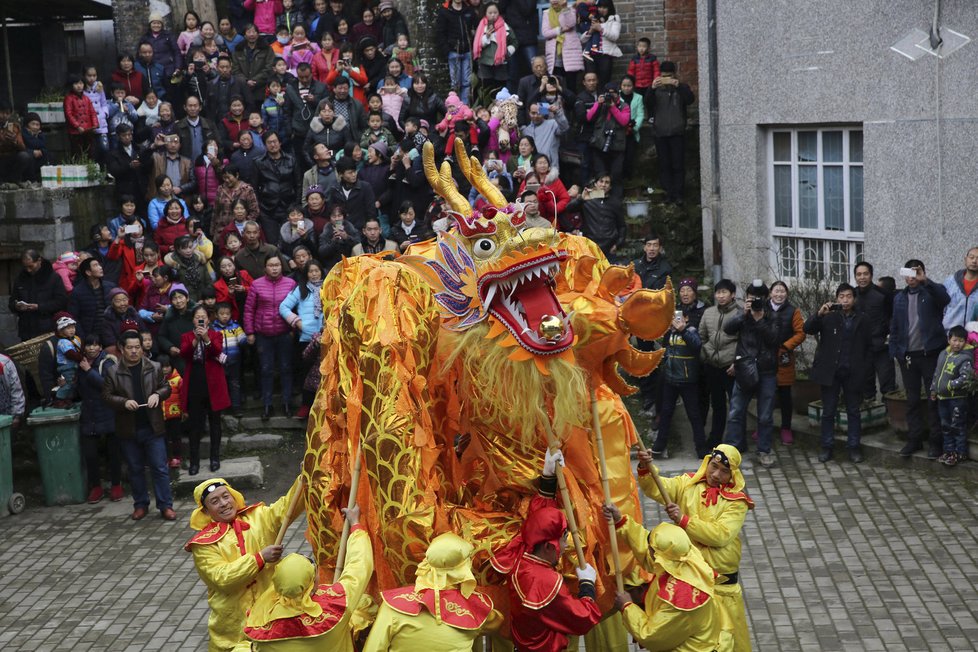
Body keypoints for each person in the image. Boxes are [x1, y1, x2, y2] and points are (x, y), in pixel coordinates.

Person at [633, 444, 753, 651]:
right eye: (713, 466)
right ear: (707, 462)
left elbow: (721, 535)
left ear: (732, 474)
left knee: (728, 642)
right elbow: (657, 488)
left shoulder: (737, 503)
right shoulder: (687, 484)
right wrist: (646, 466)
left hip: (722, 587)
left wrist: (684, 520)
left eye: (724, 471)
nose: (716, 474)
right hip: (690, 583)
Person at [489, 449, 602, 651]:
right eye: (563, 540)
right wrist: (587, 585)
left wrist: (548, 478)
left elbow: (539, 519)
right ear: (550, 546)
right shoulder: (546, 582)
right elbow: (584, 618)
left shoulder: (521, 554)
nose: (565, 546)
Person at [185, 475, 304, 652]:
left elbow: (287, 507)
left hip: (271, 616)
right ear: (206, 512)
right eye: (215, 501)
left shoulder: (258, 517)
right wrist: (260, 558)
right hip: (233, 631)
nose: (224, 503)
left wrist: (303, 479)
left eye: (226, 496)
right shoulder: (203, 545)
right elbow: (222, 579)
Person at [239, 506, 371, 651]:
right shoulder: (336, 605)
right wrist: (355, 525)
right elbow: (359, 565)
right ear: (312, 584)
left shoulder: (261, 618)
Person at [604, 510, 728, 651]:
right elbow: (649, 552)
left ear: (660, 556)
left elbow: (650, 635)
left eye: (651, 548)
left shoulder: (681, 600)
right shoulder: (685, 557)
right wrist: (622, 522)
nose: (648, 549)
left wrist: (627, 607)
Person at [364, 531, 500, 651]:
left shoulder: (392, 606)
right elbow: (497, 622)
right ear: (464, 568)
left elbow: (373, 648)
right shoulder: (477, 611)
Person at [102, 329, 174, 521]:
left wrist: (157, 395)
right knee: (135, 469)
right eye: (130, 348)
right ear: (122, 349)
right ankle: (140, 504)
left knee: (159, 468)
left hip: (153, 426)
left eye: (137, 347)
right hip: (128, 428)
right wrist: (123, 402)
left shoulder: (155, 366)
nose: (134, 351)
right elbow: (107, 396)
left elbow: (166, 387)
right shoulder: (113, 371)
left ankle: (165, 505)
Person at [804, 283, 873, 463]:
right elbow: (808, 329)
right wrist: (819, 314)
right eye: (841, 296)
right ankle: (827, 446)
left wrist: (864, 368)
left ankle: (854, 447)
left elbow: (869, 346)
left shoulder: (863, 319)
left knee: (853, 411)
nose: (845, 300)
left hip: (853, 370)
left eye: (848, 296)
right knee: (828, 411)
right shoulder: (829, 317)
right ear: (836, 298)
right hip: (830, 371)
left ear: (854, 298)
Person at [889, 260, 950, 458]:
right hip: (908, 357)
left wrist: (926, 281)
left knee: (933, 399)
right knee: (912, 400)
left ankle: (935, 441)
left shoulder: (931, 292)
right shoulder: (899, 297)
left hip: (930, 354)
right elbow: (895, 327)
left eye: (916, 273)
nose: (911, 277)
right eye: (908, 273)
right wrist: (896, 352)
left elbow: (945, 299)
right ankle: (914, 439)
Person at [723, 280, 781, 467]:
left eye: (758, 297)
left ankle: (763, 451)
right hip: (745, 370)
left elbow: (774, 340)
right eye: (751, 297)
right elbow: (728, 329)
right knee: (735, 412)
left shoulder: (772, 316)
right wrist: (745, 315)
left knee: (765, 415)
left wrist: (760, 320)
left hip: (767, 371)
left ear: (765, 298)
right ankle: (731, 451)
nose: (754, 301)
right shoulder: (743, 314)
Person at [651, 307, 708, 458]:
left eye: (679, 317)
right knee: (666, 412)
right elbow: (665, 350)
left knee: (694, 414)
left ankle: (701, 449)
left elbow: (696, 346)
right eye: (673, 317)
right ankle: (659, 446)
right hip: (670, 379)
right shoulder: (670, 332)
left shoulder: (691, 331)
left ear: (686, 318)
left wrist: (683, 330)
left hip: (688, 380)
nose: (675, 320)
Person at [245, 255, 297, 420]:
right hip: (263, 334)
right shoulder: (257, 284)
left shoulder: (290, 284)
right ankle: (267, 405)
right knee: (266, 370)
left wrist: (294, 329)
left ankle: (287, 402)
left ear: (282, 267)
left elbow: (297, 307)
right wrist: (250, 332)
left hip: (285, 333)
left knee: (286, 368)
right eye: (271, 265)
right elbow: (249, 310)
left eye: (277, 265)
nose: (274, 268)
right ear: (265, 267)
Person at [180, 305, 230, 475]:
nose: (200, 319)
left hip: (213, 384)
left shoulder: (216, 334)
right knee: (195, 425)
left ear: (208, 319)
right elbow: (184, 354)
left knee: (215, 423)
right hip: (195, 382)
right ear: (193, 320)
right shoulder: (186, 336)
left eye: (203, 317)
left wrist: (206, 338)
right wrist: (195, 339)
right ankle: (194, 462)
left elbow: (216, 350)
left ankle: (214, 458)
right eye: (197, 317)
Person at [78, 335, 122, 504]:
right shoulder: (79, 363)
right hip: (89, 414)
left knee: (114, 453)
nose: (92, 348)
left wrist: (89, 371)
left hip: (108, 412)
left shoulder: (108, 362)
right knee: (90, 454)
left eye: (96, 345)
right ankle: (95, 486)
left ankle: (116, 485)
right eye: (89, 345)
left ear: (101, 347)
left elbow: (107, 385)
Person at [649, 61, 695, 205]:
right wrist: (651, 88)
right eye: (664, 76)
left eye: (669, 76)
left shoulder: (681, 88)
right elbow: (647, 103)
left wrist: (678, 85)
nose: (666, 78)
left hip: (677, 132)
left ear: (674, 74)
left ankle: (679, 194)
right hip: (660, 132)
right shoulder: (656, 89)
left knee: (678, 165)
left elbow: (690, 99)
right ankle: (667, 194)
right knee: (664, 165)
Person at [931, 325, 974, 466]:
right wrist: (934, 389)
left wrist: (950, 385)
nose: (957, 344)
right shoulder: (943, 354)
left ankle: (960, 453)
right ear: (949, 340)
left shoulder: (965, 358)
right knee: (946, 425)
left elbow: (965, 378)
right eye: (955, 340)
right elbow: (937, 374)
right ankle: (949, 451)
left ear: (965, 342)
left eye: (961, 341)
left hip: (956, 399)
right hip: (942, 398)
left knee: (958, 426)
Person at [769, 281, 806, 446]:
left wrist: (786, 346)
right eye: (776, 291)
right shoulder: (762, 309)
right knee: (766, 394)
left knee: (785, 395)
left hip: (784, 357)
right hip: (765, 357)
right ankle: (764, 426)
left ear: (787, 294)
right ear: (770, 293)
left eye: (782, 291)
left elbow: (800, 333)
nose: (779, 294)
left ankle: (786, 428)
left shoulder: (793, 311)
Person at [853, 262, 896, 401]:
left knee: (887, 385)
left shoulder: (883, 294)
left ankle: (889, 417)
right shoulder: (852, 295)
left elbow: (892, 316)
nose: (862, 277)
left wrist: (888, 336)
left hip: (881, 347)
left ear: (871, 275)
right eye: (859, 274)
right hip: (861, 348)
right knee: (866, 385)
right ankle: (870, 415)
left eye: (865, 274)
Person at [9, 250, 68, 342]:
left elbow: (61, 302)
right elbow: (12, 302)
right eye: (25, 267)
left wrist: (39, 307)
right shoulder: (20, 279)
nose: (28, 270)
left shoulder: (53, 278)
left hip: (47, 328)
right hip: (26, 329)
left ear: (39, 261)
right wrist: (17, 306)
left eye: (31, 266)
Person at [254, 132, 301, 243]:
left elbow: (298, 184)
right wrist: (259, 207)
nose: (273, 145)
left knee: (292, 240)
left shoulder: (291, 159)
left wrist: (296, 205)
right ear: (265, 145)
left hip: (288, 206)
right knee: (273, 242)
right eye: (269, 142)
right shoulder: (258, 162)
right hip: (267, 209)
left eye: (275, 142)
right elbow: (254, 187)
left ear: (280, 143)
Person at [566, 173, 623, 257]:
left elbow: (622, 226)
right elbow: (568, 209)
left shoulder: (615, 202)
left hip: (609, 247)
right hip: (590, 246)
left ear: (610, 186)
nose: (603, 185)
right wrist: (581, 198)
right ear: (595, 184)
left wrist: (617, 244)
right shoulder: (587, 198)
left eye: (607, 182)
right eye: (601, 181)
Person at [472, 3, 518, 103]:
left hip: (500, 63)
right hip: (485, 62)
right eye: (490, 13)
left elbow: (514, 42)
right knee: (485, 88)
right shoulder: (481, 27)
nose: (493, 15)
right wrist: (487, 36)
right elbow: (477, 44)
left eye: (495, 12)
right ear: (485, 14)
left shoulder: (504, 26)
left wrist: (507, 52)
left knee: (500, 87)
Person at [436, 0, 478, 105]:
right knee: (455, 83)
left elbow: (477, 28)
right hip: (453, 51)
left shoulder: (469, 10)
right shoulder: (445, 11)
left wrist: (473, 45)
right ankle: (455, 107)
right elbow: (440, 33)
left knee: (467, 82)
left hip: (467, 51)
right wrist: (447, 50)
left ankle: (465, 107)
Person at [69, 258, 118, 344]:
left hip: (110, 332)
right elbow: (74, 317)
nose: (100, 267)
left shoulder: (110, 287)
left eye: (99, 264)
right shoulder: (78, 291)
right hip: (90, 336)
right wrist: (82, 337)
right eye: (96, 265)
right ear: (88, 272)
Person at [212, 302, 247, 418]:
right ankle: (222, 407)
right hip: (219, 362)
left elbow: (242, 338)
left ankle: (236, 407)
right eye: (222, 314)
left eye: (227, 314)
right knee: (221, 385)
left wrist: (245, 340)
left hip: (234, 361)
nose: (225, 316)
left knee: (235, 384)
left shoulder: (235, 327)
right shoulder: (213, 329)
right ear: (216, 315)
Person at [543, 0, 584, 93]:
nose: (554, 1)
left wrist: (565, 8)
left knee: (571, 84)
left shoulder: (570, 10)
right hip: (555, 55)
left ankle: (572, 105)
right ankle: (559, 106)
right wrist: (560, 30)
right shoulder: (546, 13)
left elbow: (571, 23)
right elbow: (545, 33)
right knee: (556, 83)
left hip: (570, 53)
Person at [231, 24, 277, 108]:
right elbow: (235, 69)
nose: (251, 34)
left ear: (258, 34)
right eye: (249, 32)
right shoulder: (238, 50)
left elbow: (269, 67)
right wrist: (246, 81)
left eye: (254, 32)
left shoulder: (267, 48)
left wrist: (255, 80)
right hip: (243, 90)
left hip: (262, 89)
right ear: (244, 35)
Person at [52, 313, 83, 406]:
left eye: (73, 327)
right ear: (61, 331)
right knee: (68, 384)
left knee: (73, 384)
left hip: (74, 366)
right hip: (67, 367)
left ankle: (68, 398)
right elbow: (70, 354)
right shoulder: (63, 342)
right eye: (68, 328)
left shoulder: (75, 339)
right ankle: (58, 398)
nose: (72, 330)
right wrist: (82, 358)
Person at [139, 13, 181, 77]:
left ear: (162, 25)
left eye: (158, 23)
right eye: (154, 23)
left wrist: (178, 67)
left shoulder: (168, 36)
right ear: (150, 25)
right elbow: (139, 54)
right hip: (153, 69)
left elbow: (176, 52)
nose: (156, 25)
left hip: (168, 68)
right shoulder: (145, 38)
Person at [0, 101, 30, 182]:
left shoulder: (13, 126)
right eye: (2, 113)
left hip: (9, 157)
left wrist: (15, 141)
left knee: (24, 156)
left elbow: (23, 147)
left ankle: (13, 180)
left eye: (7, 113)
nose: (4, 116)